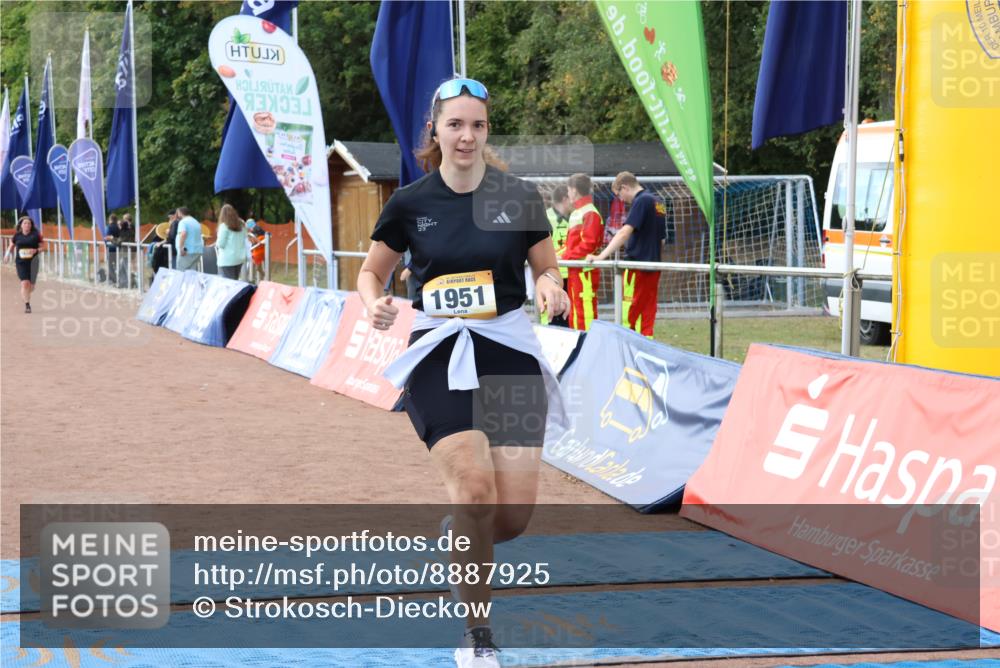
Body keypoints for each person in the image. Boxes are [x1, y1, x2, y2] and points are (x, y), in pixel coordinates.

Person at [357, 77, 569, 668]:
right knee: (475, 489)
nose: (467, 136)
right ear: (436, 131)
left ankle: (462, 533)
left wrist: (550, 287)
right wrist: (373, 301)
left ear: (487, 130)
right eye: (455, 124)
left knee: (512, 516)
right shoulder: (409, 203)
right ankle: (477, 637)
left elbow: (547, 268)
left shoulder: (519, 197)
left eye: (477, 125)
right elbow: (372, 272)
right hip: (438, 352)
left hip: (508, 349)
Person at [587, 172, 666, 337]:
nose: (621, 200)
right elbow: (662, 240)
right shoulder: (658, 201)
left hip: (637, 268)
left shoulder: (641, 201)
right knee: (646, 315)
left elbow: (624, 232)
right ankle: (645, 347)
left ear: (624, 187)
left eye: (619, 194)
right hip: (654, 267)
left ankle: (628, 347)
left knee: (630, 314)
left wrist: (601, 256)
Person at [559, 173, 605, 331]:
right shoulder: (578, 212)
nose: (568, 194)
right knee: (576, 310)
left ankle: (588, 342)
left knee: (585, 311)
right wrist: (556, 254)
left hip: (585, 271)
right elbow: (571, 245)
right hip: (576, 269)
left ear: (574, 190)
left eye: (568, 190)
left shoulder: (589, 212)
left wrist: (564, 256)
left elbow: (588, 244)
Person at [540, 184, 572, 326]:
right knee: (551, 312)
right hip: (552, 275)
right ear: (565, 199)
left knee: (567, 313)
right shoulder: (546, 217)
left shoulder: (574, 217)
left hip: (570, 273)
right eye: (571, 198)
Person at [6, 216, 42, 313]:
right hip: (21, 262)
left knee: (31, 287)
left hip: (33, 262)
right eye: (25, 223)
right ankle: (27, 305)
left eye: (29, 223)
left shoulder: (36, 235)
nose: (27, 225)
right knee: (25, 283)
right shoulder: (17, 236)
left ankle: (25, 292)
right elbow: (11, 246)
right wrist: (7, 255)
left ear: (31, 225)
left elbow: (42, 247)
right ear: (21, 225)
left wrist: (36, 250)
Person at [215, 204, 248, 280]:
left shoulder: (224, 226)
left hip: (226, 260)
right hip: (239, 259)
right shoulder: (242, 225)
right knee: (234, 281)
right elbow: (245, 237)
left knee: (227, 284)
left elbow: (220, 244)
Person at [174, 206, 204, 271]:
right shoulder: (196, 222)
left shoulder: (183, 222)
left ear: (180, 213)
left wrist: (181, 248)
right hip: (197, 251)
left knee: (181, 273)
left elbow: (183, 234)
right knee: (191, 273)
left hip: (187, 251)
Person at [104, 213, 120, 284]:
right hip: (118, 249)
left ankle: (113, 279)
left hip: (110, 249)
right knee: (117, 265)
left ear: (110, 219)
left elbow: (106, 237)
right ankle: (117, 278)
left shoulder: (108, 227)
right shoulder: (118, 227)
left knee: (110, 265)